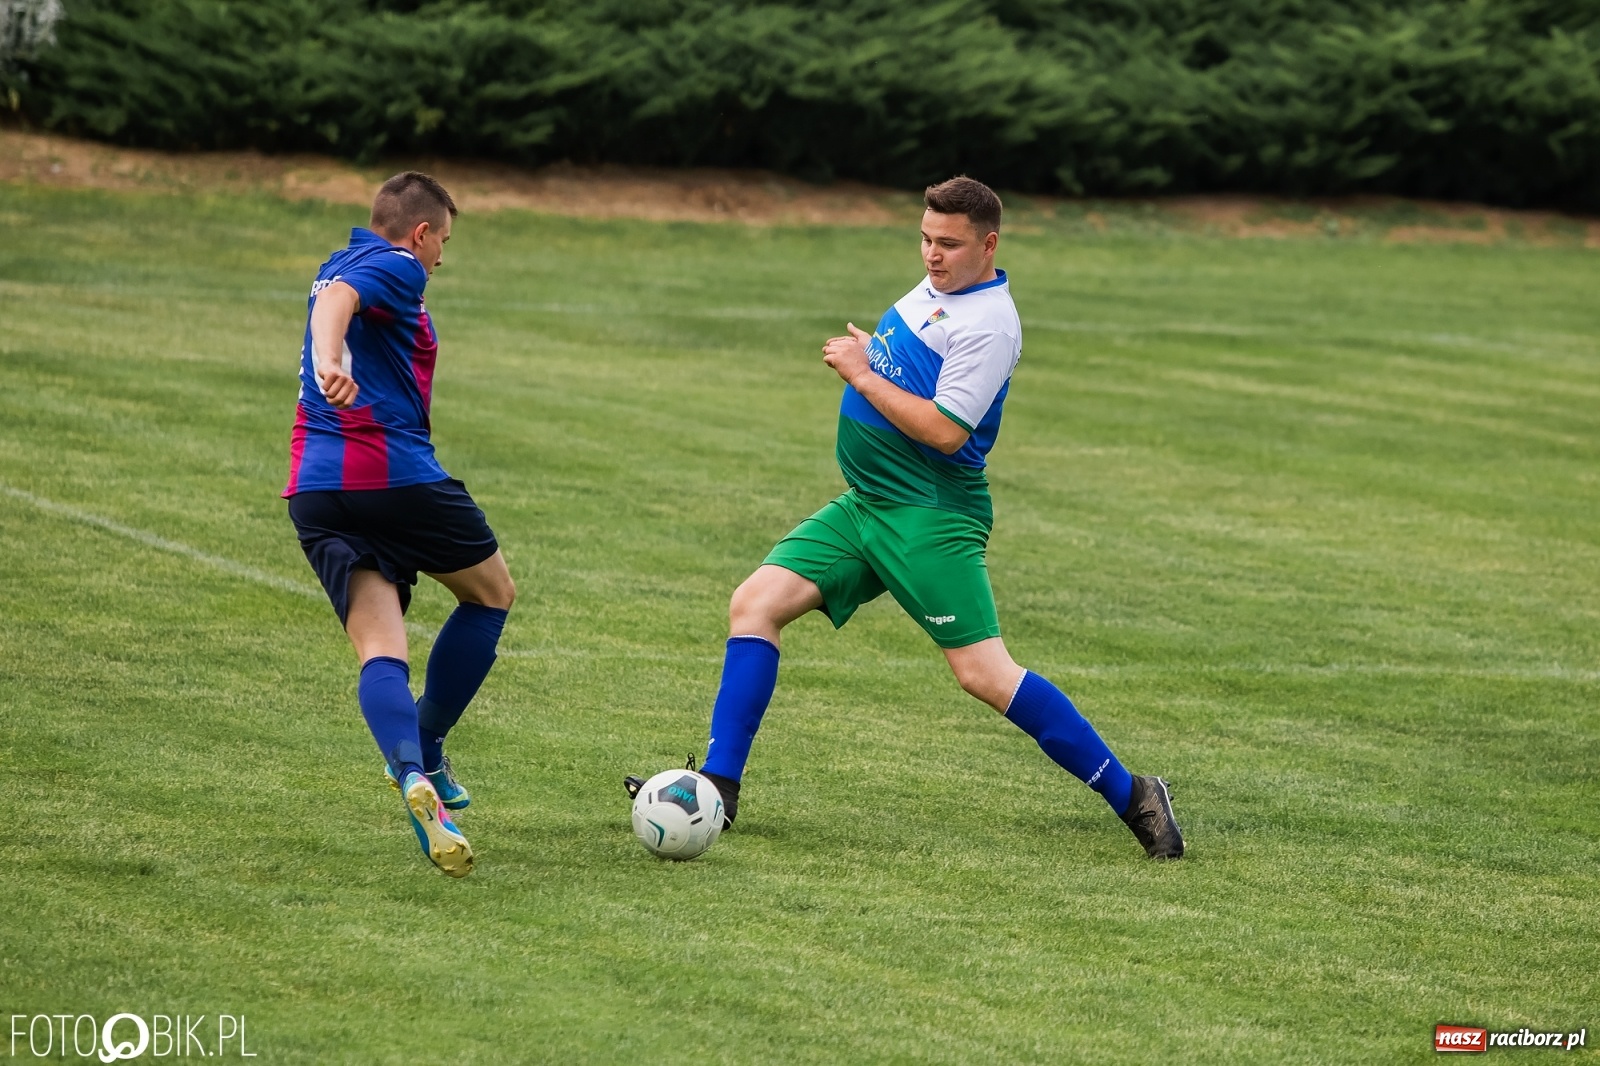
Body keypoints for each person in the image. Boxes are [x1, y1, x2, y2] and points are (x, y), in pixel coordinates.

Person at [628, 176, 1183, 859]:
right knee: (755, 604)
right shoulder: (941, 289)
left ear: (989, 244)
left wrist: (864, 374)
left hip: (928, 515)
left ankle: (1136, 797)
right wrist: (880, 356)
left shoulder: (989, 325)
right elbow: (914, 367)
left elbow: (946, 431)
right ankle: (718, 788)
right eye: (924, 238)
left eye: (948, 243)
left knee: (984, 674)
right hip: (868, 505)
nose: (931, 254)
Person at [284, 172, 516, 878]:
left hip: (315, 489)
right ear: (420, 233)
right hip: (391, 474)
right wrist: (330, 358)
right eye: (443, 240)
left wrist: (330, 355)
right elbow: (340, 307)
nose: (443, 256)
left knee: (380, 646)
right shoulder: (393, 266)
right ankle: (432, 744)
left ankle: (414, 777)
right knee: (491, 594)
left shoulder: (337, 262)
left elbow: (332, 298)